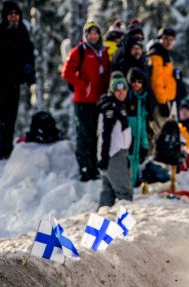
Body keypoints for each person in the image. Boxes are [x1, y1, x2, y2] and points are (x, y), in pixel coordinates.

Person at [62, 21, 111, 181]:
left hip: (99, 100)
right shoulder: (80, 51)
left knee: (96, 135)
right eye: (90, 33)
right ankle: (85, 168)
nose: (93, 36)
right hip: (83, 101)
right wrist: (84, 86)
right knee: (84, 135)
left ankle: (93, 167)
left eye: (96, 33)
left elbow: (107, 74)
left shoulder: (103, 52)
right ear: (86, 35)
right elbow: (67, 73)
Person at [0, 1, 35, 160]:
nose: (14, 17)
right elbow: (3, 57)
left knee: (11, 116)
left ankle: (6, 149)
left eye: (16, 14)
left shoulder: (22, 31)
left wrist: (29, 73)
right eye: (11, 14)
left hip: (14, 81)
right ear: (6, 16)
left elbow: (28, 52)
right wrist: (20, 67)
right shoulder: (0, 32)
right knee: (3, 116)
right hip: (1, 80)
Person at [97, 72, 132, 208]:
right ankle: (125, 220)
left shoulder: (118, 105)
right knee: (125, 193)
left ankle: (101, 219)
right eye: (117, 90)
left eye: (124, 89)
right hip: (114, 154)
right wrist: (104, 157)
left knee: (108, 194)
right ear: (112, 91)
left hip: (117, 154)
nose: (121, 93)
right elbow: (105, 135)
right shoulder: (110, 108)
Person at [148, 27, 180, 143]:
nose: (168, 42)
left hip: (168, 100)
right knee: (159, 134)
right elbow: (156, 81)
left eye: (171, 39)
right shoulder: (156, 54)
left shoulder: (165, 54)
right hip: (160, 102)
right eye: (166, 38)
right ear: (160, 39)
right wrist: (162, 103)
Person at [125, 68, 153, 186]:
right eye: (134, 81)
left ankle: (134, 180)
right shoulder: (127, 96)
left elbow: (144, 124)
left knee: (137, 157)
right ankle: (128, 183)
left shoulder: (144, 98)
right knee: (128, 158)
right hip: (128, 133)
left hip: (139, 132)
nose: (136, 84)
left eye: (139, 81)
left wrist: (144, 144)